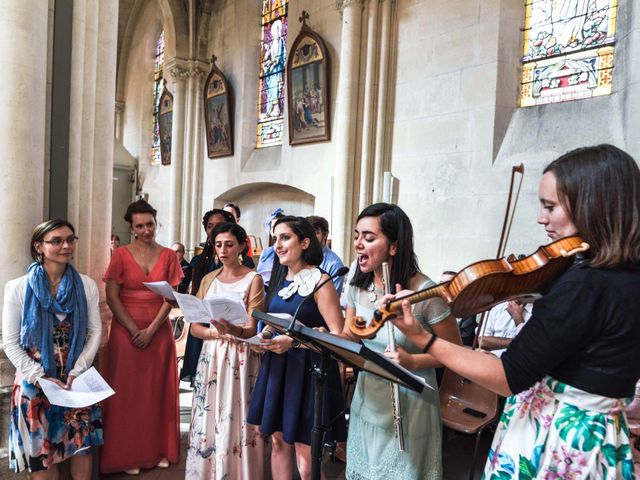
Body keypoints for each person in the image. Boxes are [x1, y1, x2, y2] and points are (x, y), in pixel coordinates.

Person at [389, 144, 640, 478]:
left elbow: (508, 377)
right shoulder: (625, 274)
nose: (541, 218)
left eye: (551, 206)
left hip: (558, 440)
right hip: (601, 437)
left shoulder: (585, 284)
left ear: (592, 205)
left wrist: (423, 337)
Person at [337, 203, 462, 479]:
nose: (358, 244)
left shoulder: (424, 292)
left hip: (410, 402)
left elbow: (456, 353)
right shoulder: (357, 286)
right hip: (368, 397)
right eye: (357, 235)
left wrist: (413, 360)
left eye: (369, 238)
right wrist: (327, 338)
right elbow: (350, 334)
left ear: (394, 246)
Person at [247, 216, 347, 480]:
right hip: (278, 368)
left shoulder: (321, 281)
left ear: (304, 242)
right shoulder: (280, 279)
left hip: (308, 372)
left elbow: (338, 336)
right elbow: (276, 322)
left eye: (285, 237)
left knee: (306, 458)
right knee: (278, 442)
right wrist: (264, 337)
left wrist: (294, 342)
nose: (277, 245)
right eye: (275, 238)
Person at [2, 219, 103, 477]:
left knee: (81, 448)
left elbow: (94, 331)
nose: (66, 246)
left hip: (74, 381)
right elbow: (11, 342)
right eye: (56, 241)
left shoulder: (86, 285)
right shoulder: (18, 287)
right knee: (42, 457)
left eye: (70, 239)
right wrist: (40, 376)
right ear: (39, 246)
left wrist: (77, 370)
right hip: (35, 383)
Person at [100, 199, 183, 475]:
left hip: (158, 331)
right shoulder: (121, 255)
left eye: (150, 224)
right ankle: (128, 453)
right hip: (126, 331)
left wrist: (151, 330)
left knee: (157, 391)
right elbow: (112, 296)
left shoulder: (169, 256)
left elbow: (171, 298)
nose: (147, 230)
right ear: (131, 228)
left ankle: (159, 449)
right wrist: (134, 330)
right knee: (128, 394)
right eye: (140, 226)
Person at [185, 222, 265, 479]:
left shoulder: (254, 279)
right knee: (209, 416)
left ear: (242, 246)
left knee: (237, 415)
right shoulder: (209, 279)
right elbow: (195, 327)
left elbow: (253, 328)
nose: (223, 249)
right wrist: (214, 332)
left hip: (239, 355)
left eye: (229, 244)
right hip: (212, 354)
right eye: (218, 244)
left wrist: (233, 330)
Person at [180, 208, 240, 385]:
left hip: (227, 321)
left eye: (219, 225)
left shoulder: (243, 262)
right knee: (202, 376)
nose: (213, 230)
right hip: (202, 321)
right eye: (209, 226)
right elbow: (190, 291)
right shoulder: (198, 262)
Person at [306, 215, 346, 295]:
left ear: (325, 234)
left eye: (316, 232)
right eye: (308, 232)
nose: (311, 236)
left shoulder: (334, 264)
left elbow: (333, 298)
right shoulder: (300, 256)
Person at [256, 208, 285, 288]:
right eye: (273, 227)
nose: (275, 230)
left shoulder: (288, 251)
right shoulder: (265, 252)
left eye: (278, 226)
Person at [223, 202, 254, 267]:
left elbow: (248, 264)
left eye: (230, 215)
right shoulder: (214, 238)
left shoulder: (245, 239)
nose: (227, 219)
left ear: (237, 219)